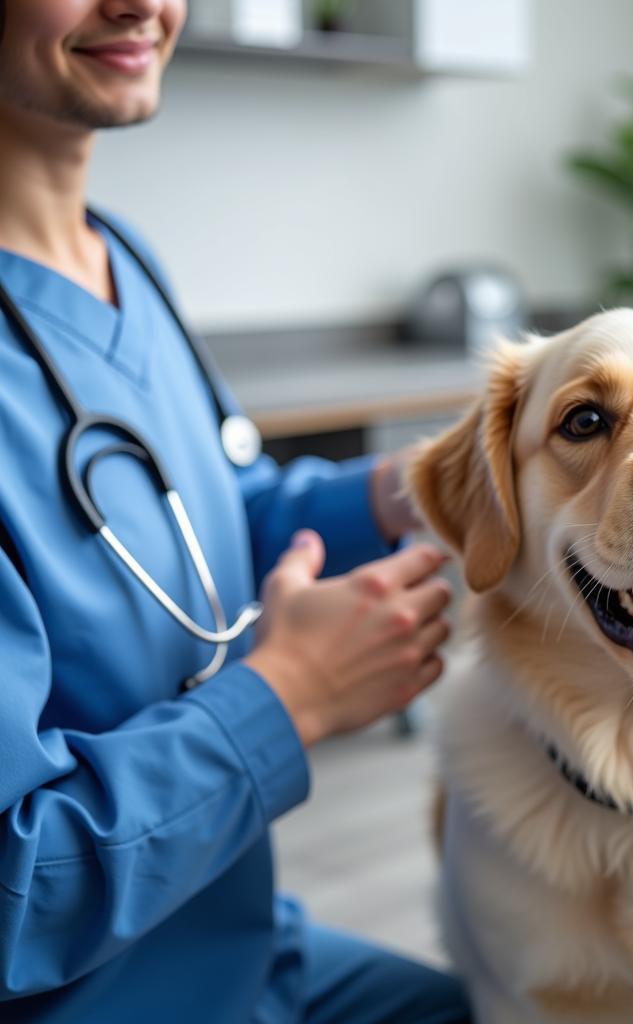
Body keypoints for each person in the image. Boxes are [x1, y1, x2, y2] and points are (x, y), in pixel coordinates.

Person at [0, 2, 472, 1021]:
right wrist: (288, 698)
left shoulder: (121, 258)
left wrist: (413, 487)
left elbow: (199, 526)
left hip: (226, 939)